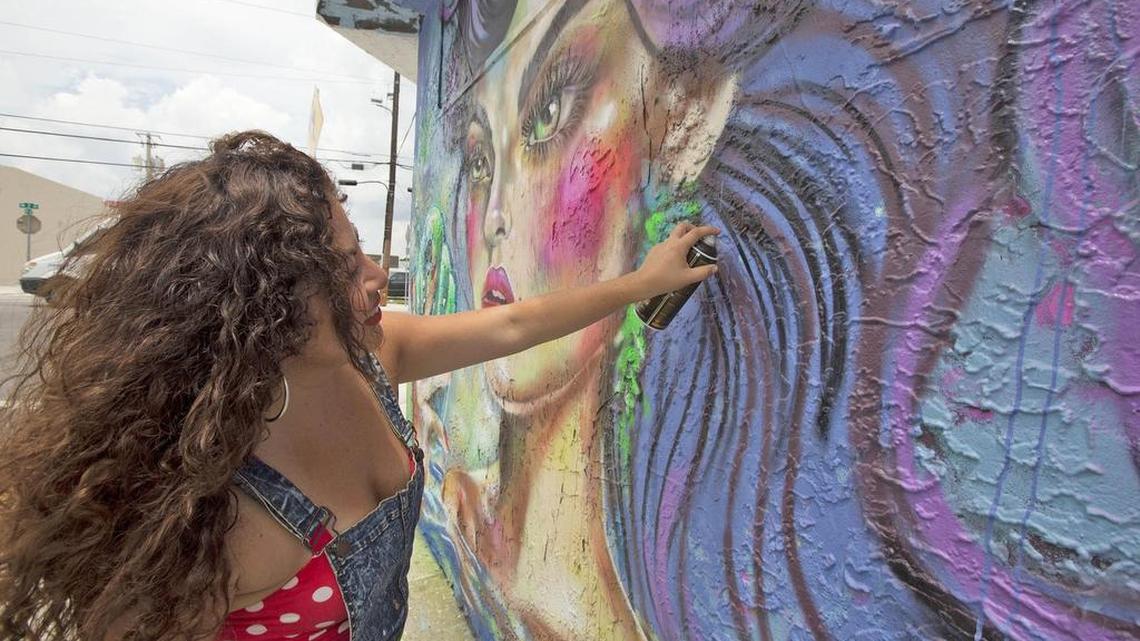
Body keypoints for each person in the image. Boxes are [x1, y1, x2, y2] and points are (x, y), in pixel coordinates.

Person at [0, 130, 718, 641]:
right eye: (343, 267)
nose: (377, 275)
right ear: (260, 307)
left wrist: (640, 284)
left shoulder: (371, 355)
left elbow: (509, 328)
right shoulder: (199, 505)